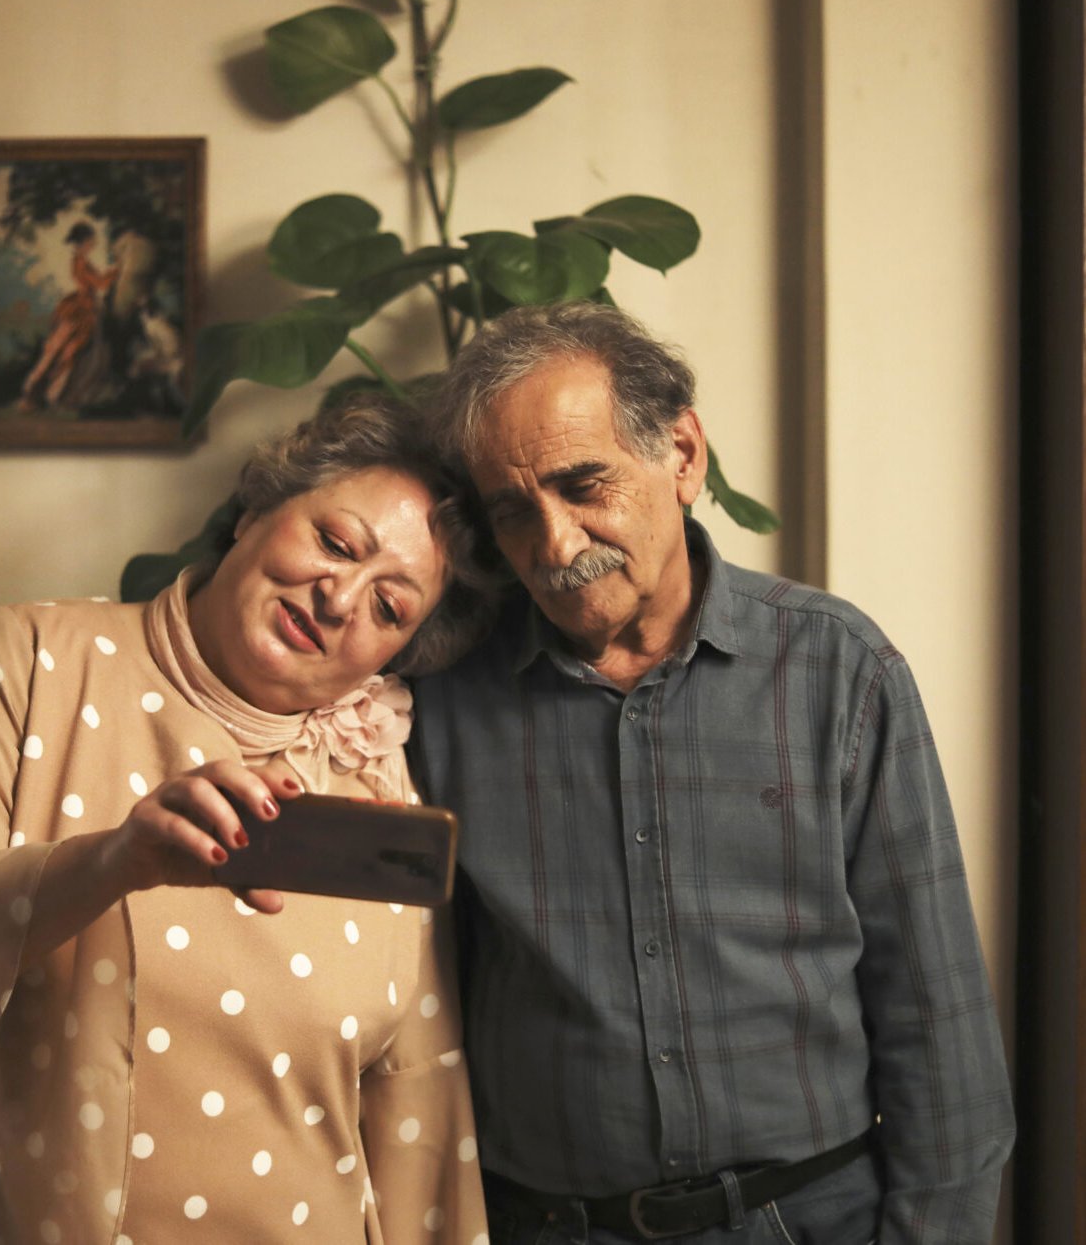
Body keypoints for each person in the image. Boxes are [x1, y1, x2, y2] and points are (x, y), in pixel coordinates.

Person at [0, 396, 496, 1244]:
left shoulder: (380, 777)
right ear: (255, 511)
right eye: (335, 543)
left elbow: (416, 1089)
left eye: (390, 607)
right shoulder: (26, 657)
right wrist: (112, 861)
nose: (342, 597)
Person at [408, 302, 1015, 1245]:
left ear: (682, 454)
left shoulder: (838, 670)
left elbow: (937, 1022)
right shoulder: (438, 698)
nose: (556, 544)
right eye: (514, 510)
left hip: (810, 1222)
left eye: (582, 484)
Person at [17, 219, 120, 411]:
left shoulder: (82, 261)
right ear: (84, 242)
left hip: (82, 306)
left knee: (63, 351)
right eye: (91, 241)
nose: (94, 244)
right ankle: (37, 393)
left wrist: (109, 275)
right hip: (80, 309)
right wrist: (115, 272)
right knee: (63, 351)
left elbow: (97, 282)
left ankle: (46, 394)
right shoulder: (80, 262)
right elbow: (101, 284)